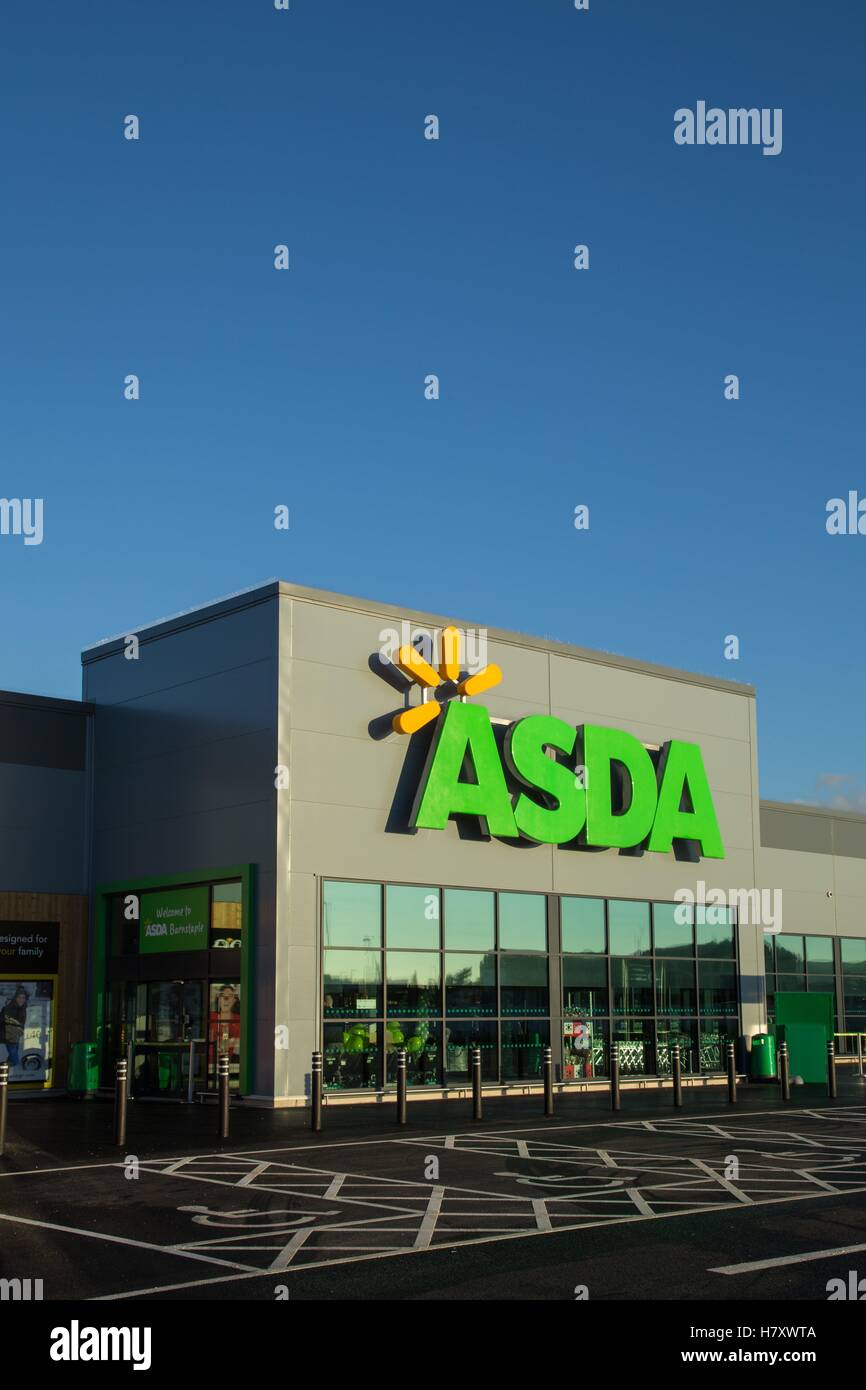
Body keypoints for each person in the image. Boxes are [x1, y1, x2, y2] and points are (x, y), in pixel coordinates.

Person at [0, 987, 29, 1067]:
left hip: (16, 1034)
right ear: (15, 998)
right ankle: (14, 1063)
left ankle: (11, 1061)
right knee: (13, 1052)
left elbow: (22, 1021)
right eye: (19, 997)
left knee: (14, 1050)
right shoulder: (9, 1008)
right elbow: (3, 1020)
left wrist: (20, 1031)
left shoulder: (23, 1007)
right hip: (9, 1035)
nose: (21, 999)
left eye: (23, 998)